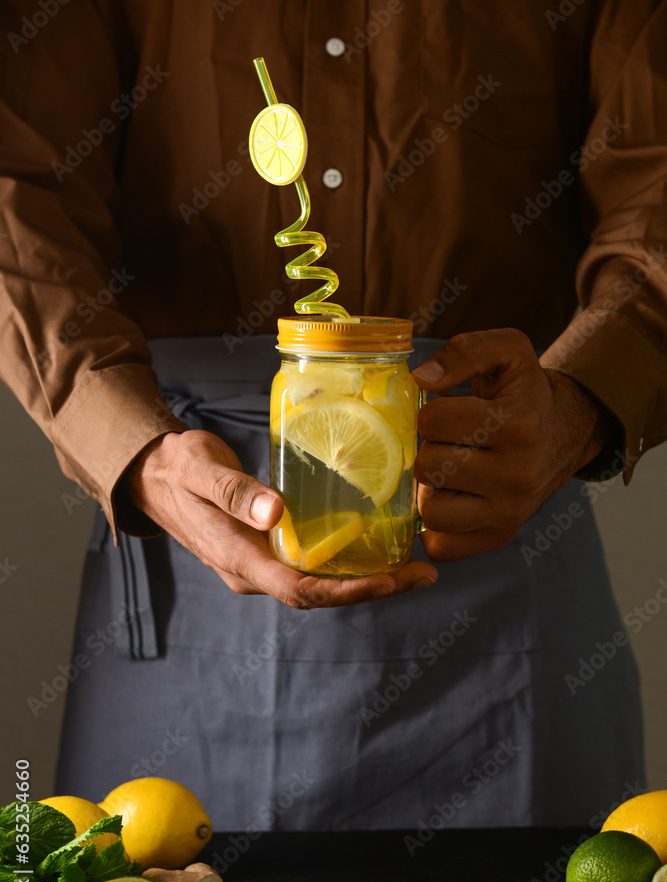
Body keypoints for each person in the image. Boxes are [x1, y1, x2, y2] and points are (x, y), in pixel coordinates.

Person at [1, 1, 665, 829]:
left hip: (505, 525)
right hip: (185, 521)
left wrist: (575, 410)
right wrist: (133, 448)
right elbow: (15, 186)